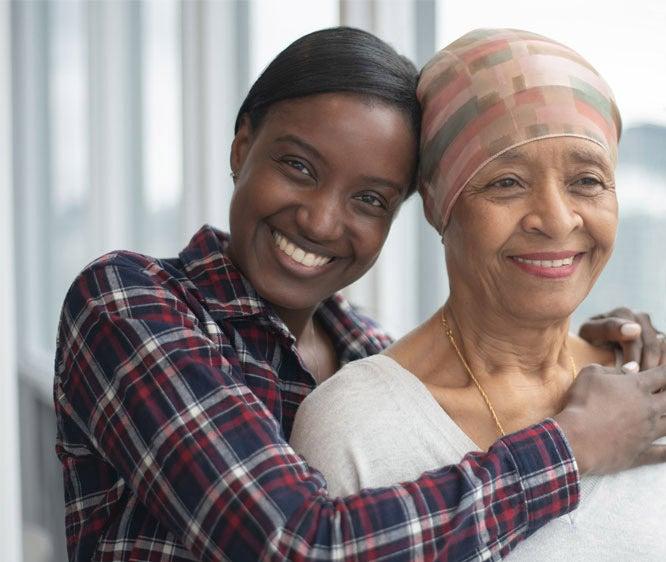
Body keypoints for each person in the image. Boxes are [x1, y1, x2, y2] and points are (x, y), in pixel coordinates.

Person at [54, 27, 666, 562]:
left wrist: (592, 339)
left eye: (369, 199)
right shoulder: (128, 303)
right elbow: (298, 545)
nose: (321, 222)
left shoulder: (364, 352)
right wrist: (575, 444)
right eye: (299, 167)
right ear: (242, 147)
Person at [290, 28, 666, 561]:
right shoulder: (356, 425)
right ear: (438, 203)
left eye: (587, 180)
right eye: (506, 182)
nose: (557, 220)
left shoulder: (651, 388)